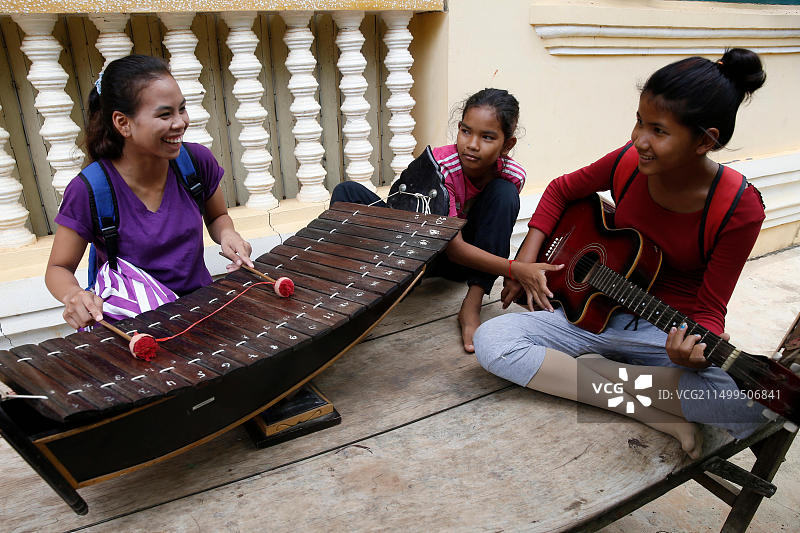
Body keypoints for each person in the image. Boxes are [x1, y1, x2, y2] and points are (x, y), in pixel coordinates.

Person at [473, 49, 768, 459]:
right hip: (587, 314)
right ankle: (642, 402)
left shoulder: (738, 207)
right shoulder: (629, 162)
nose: (638, 139)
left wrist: (694, 353)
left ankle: (609, 376)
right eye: (639, 121)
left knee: (756, 406)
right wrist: (525, 261)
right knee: (494, 340)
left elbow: (710, 309)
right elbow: (560, 190)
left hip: (660, 333)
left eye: (658, 131)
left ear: (705, 140)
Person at [46, 55, 253, 330]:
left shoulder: (195, 163)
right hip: (136, 328)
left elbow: (217, 217)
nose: (180, 123)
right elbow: (58, 268)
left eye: (182, 109)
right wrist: (74, 296)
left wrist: (228, 235)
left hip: (201, 313)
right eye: (165, 114)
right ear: (123, 123)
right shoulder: (90, 189)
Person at [331, 88, 534, 353]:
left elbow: (490, 230)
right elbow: (452, 245)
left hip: (456, 263)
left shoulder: (512, 176)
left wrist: (513, 268)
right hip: (411, 251)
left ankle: (471, 307)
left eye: (487, 137)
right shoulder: (442, 165)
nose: (472, 144)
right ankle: (356, 286)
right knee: (347, 192)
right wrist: (516, 269)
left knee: (504, 195)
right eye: (466, 131)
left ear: (507, 145)